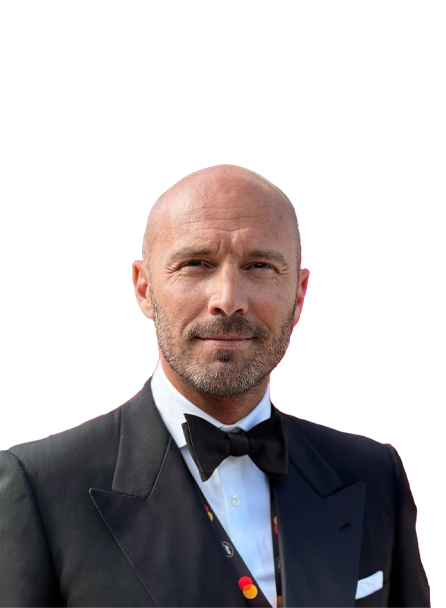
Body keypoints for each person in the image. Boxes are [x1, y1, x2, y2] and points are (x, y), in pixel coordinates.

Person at [0, 165, 429, 607]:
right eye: (196, 264)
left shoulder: (374, 475)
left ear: (299, 294)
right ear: (144, 288)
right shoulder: (39, 488)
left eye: (259, 266)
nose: (228, 299)